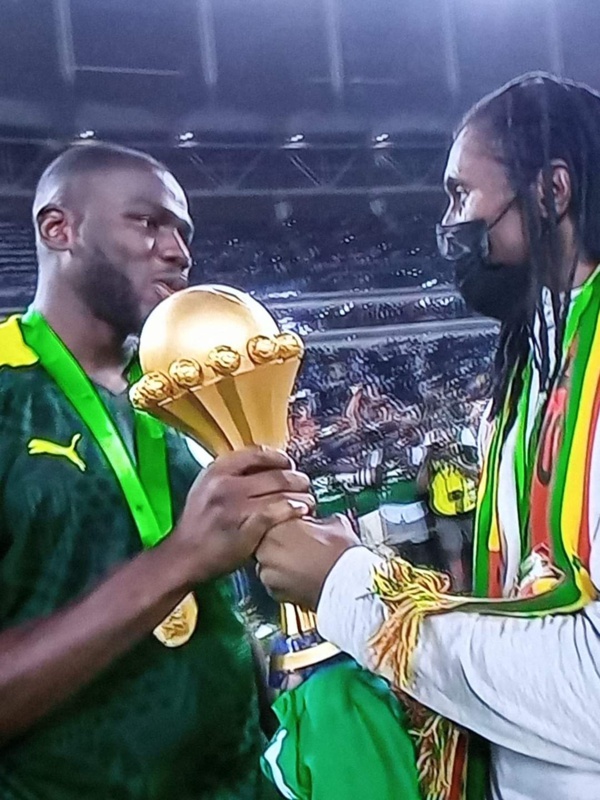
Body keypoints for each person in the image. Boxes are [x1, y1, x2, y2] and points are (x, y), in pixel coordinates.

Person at [255, 73, 600, 800]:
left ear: (551, 192)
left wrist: (356, 593)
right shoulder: (536, 357)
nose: (448, 224)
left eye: (460, 195)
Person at [0, 142, 314, 799]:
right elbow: (184, 557)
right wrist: (180, 558)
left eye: (182, 231)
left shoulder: (182, 384)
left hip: (243, 778)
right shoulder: (8, 396)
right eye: (148, 222)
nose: (178, 251)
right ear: (60, 228)